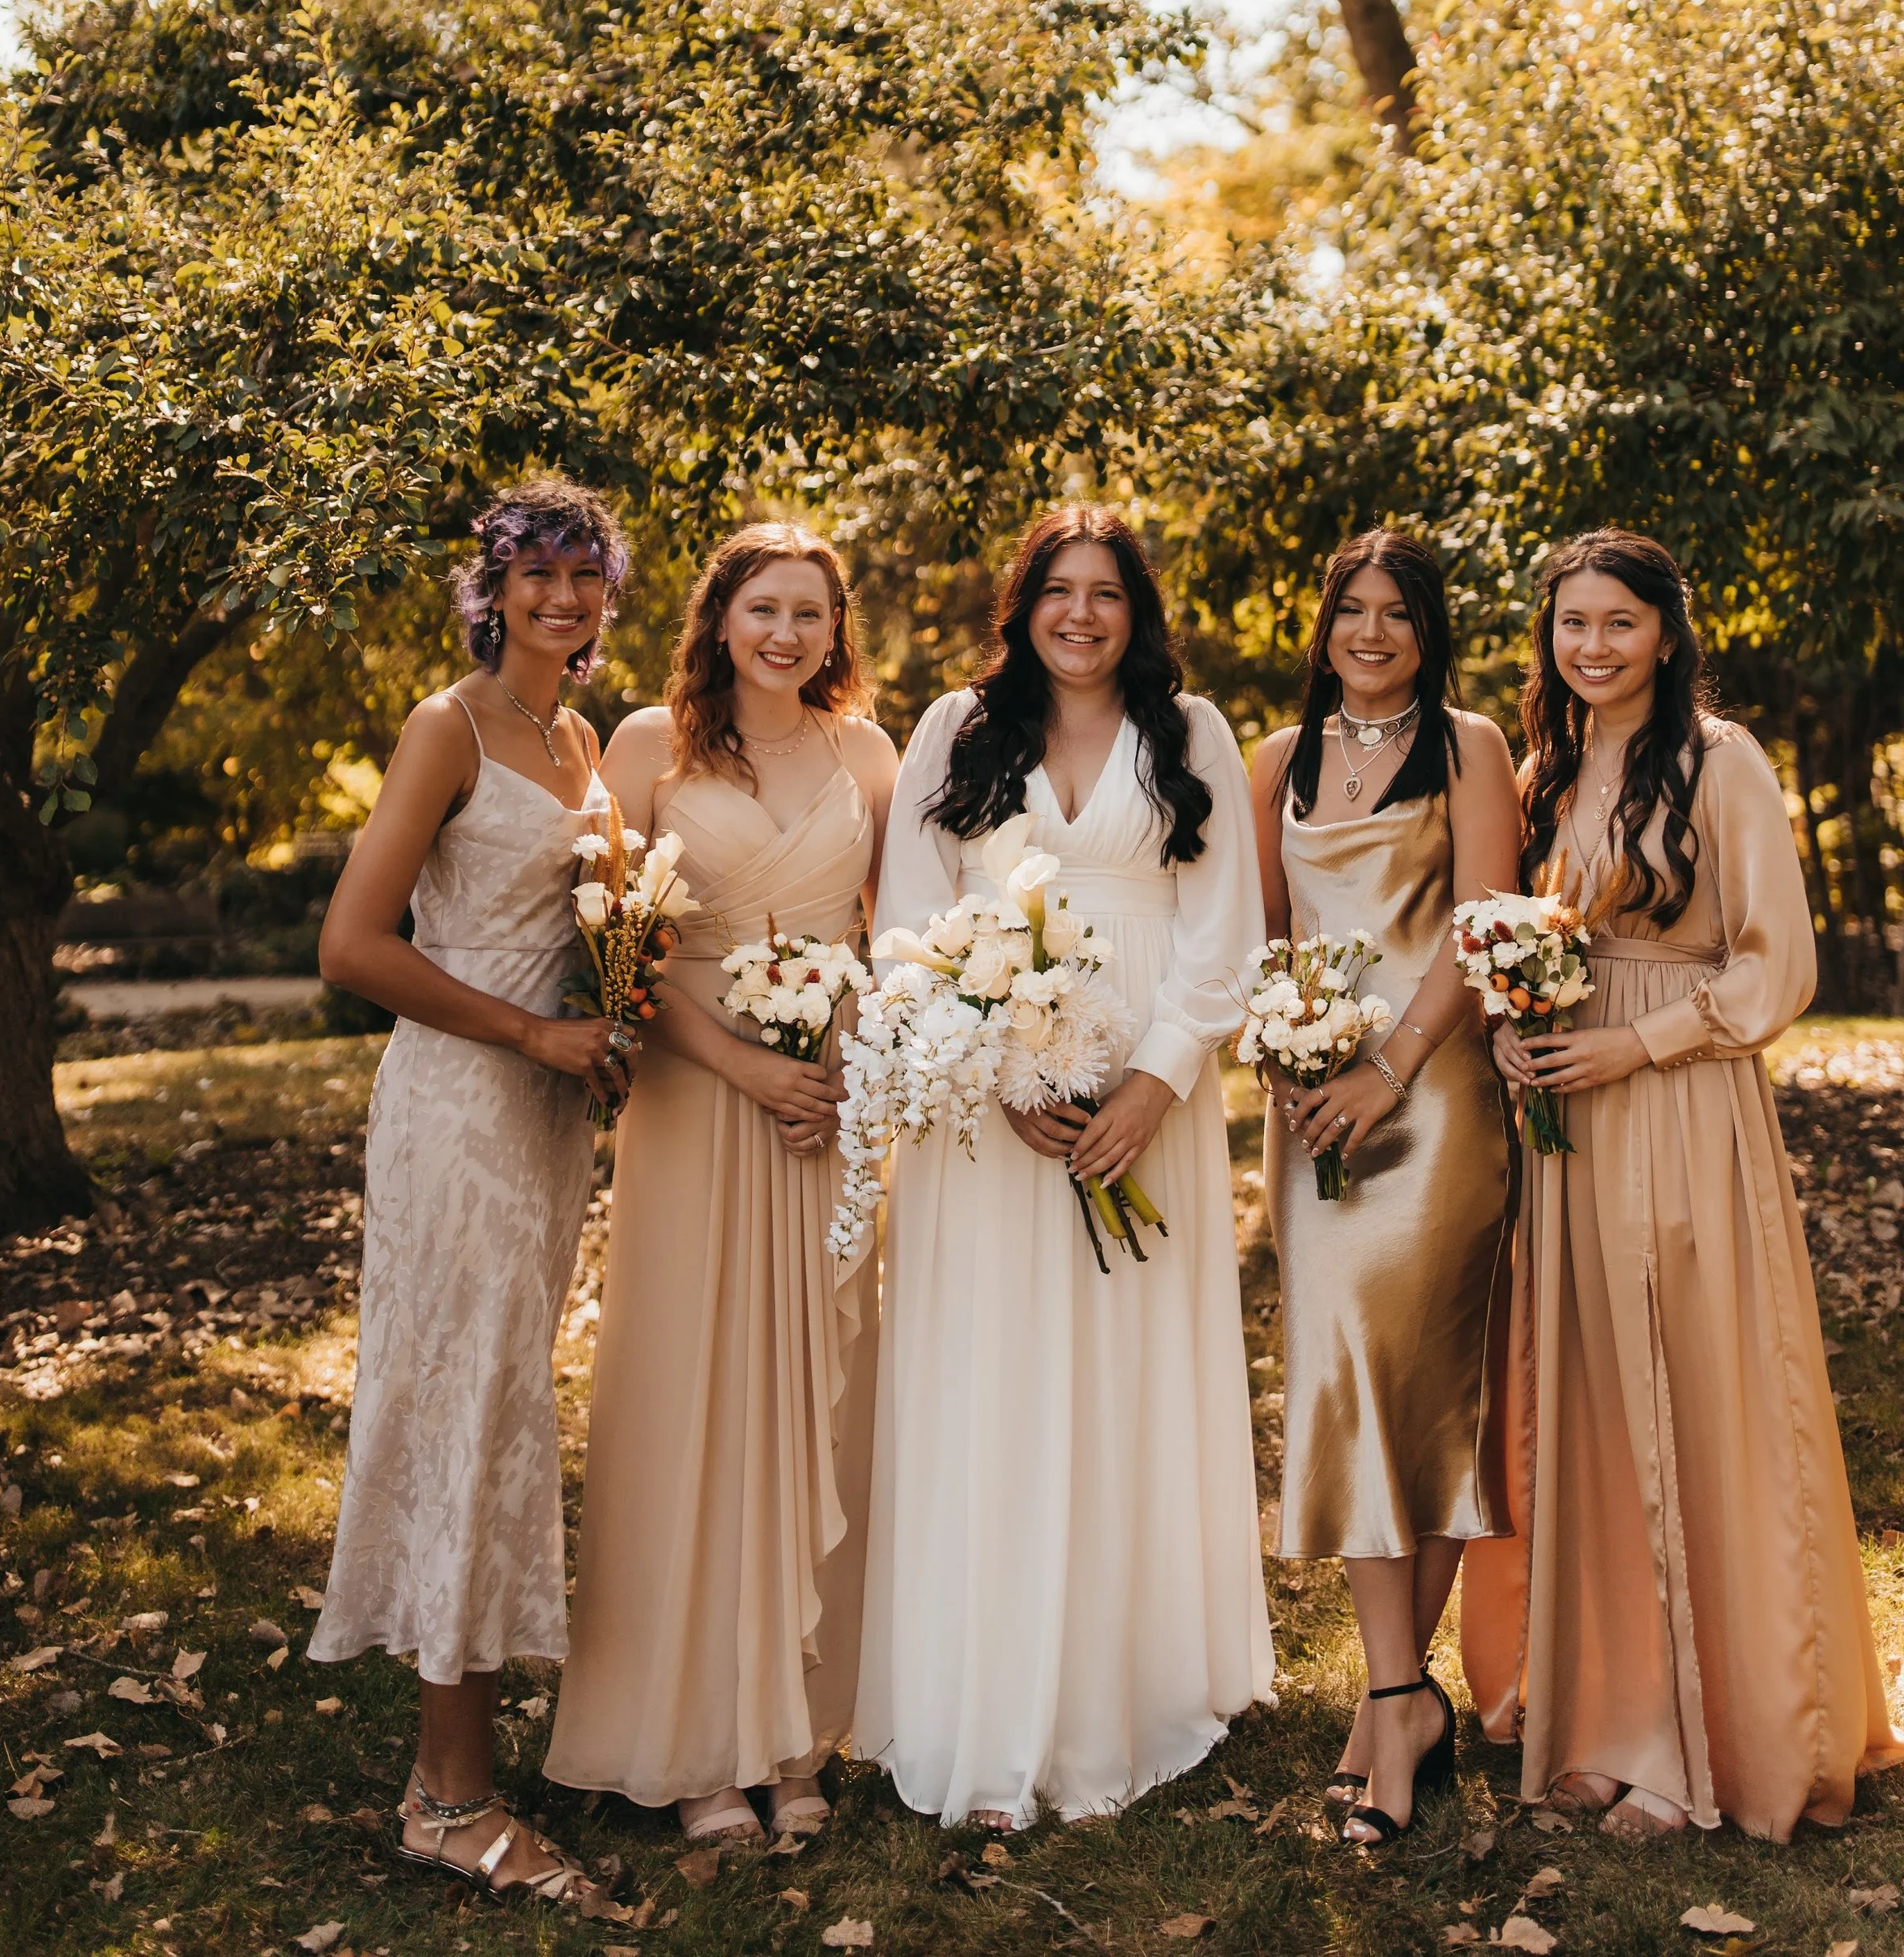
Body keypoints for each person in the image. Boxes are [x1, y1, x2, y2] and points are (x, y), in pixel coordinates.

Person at [1468, 528, 1904, 1841]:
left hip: (1683, 1107)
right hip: (1569, 1133)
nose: (1591, 646)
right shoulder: (1546, 771)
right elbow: (1530, 937)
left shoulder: (1724, 763)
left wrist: (1634, 1040)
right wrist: (1511, 1021)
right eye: (1571, 625)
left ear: (1667, 630)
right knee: (1592, 1414)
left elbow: (1778, 969)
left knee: (1697, 1403)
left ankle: (1710, 1734)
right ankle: (1607, 1719)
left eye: (1618, 623)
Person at [856, 506, 1275, 1829]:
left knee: (1126, 1368)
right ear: (1022, 604)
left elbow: (1225, 929)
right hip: (991, 1111)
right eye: (1058, 590)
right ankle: (983, 1690)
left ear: (1137, 610)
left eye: (1107, 592)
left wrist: (1152, 1083)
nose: (1082, 614)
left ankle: (1124, 1681)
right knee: (997, 1370)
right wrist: (999, 1062)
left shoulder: (1191, 732)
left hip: (1154, 1087)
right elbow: (908, 926)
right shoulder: (951, 730)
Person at [547, 524, 898, 1846]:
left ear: (835, 629)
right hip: (701, 1103)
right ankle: (698, 1742)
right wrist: (745, 1067)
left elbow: (895, 940)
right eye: (765, 607)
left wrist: (843, 1068)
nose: (787, 633)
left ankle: (795, 1730)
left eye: (810, 612)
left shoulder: (870, 753)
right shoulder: (645, 746)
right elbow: (618, 951)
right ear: (722, 616)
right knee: (695, 1395)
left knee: (818, 1393)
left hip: (830, 1106)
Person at [310, 477, 632, 1902]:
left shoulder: (580, 737)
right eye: (538, 575)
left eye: (586, 578)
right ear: (494, 588)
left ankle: (459, 1770)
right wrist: (530, 1031)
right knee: (470, 1416)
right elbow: (350, 945)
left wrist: (610, 1014)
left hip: (551, 1117)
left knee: (504, 1409)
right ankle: (450, 1797)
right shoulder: (450, 727)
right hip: (459, 1106)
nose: (562, 599)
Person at [1247, 529, 1522, 1845]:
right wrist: (1294, 1066)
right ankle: (1402, 1694)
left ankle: (1397, 1698)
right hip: (1317, 1122)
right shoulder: (1272, 764)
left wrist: (1388, 1072)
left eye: (1396, 612)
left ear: (1429, 629)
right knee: (1343, 1383)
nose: (1370, 631)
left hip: (1439, 1107)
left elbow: (1482, 933)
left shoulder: (1467, 748)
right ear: (1322, 624)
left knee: (1433, 1400)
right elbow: (1259, 949)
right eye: (1350, 608)